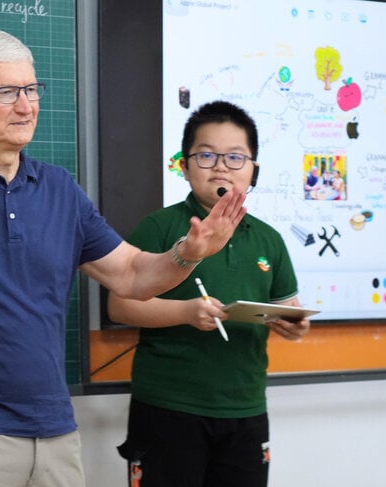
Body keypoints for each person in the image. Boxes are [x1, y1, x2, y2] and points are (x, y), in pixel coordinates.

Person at [0, 30, 246, 487]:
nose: (27, 106)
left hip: (56, 432)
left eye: (31, 90)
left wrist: (187, 255)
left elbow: (131, 275)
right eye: (6, 92)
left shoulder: (59, 189)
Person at [108, 100, 311, 487]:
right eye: (206, 155)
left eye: (235, 157)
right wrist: (186, 312)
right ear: (183, 166)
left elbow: (286, 308)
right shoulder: (160, 227)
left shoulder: (269, 239)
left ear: (254, 171)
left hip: (246, 407)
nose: (221, 167)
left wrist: (294, 325)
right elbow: (120, 306)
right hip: (169, 406)